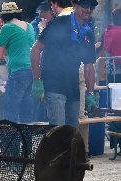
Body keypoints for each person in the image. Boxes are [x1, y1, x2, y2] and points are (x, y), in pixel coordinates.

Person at [31, 0, 97, 128]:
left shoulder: (87, 32)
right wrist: (36, 79)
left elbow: (89, 67)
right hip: (54, 85)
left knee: (73, 133)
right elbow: (36, 49)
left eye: (91, 7)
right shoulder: (59, 23)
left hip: (73, 87)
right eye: (84, 5)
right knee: (58, 132)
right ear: (75, 5)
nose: (88, 10)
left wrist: (90, 93)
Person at [0, 2, 36, 124]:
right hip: (31, 70)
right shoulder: (29, 26)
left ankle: (10, 141)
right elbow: (23, 48)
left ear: (3, 17)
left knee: (11, 110)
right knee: (26, 111)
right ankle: (27, 140)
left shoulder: (6, 28)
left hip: (18, 71)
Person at [104, 7, 121, 83]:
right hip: (118, 69)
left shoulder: (109, 31)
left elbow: (106, 48)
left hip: (110, 69)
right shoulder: (118, 32)